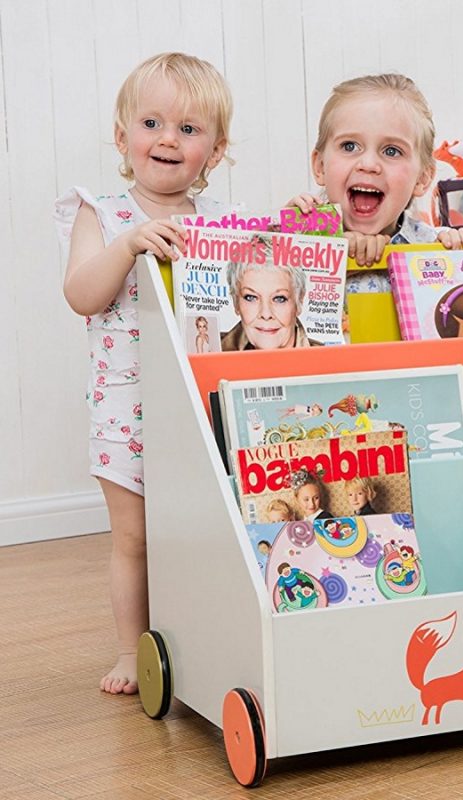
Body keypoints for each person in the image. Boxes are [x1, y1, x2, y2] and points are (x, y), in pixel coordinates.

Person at [55, 52, 235, 695]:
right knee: (134, 537)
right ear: (122, 137)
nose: (167, 139)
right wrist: (127, 244)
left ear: (214, 153)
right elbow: (81, 294)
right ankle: (133, 651)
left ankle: (202, 635)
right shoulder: (100, 213)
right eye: (152, 122)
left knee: (202, 530)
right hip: (125, 409)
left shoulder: (218, 225)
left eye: (189, 130)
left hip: (198, 404)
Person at [288, 73, 463, 267]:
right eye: (349, 146)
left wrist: (460, 260)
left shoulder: (434, 246)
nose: (369, 164)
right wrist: (282, 241)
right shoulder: (301, 239)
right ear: (320, 166)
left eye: (391, 151)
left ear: (422, 178)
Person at [221, 235, 321, 350]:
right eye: (251, 297)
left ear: (299, 301)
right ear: (235, 302)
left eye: (279, 299)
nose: (266, 314)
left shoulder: (330, 361)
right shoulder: (209, 351)